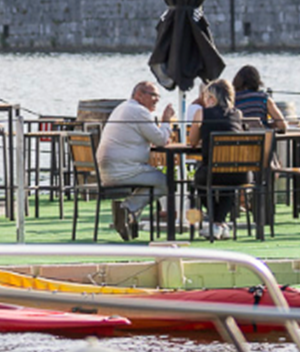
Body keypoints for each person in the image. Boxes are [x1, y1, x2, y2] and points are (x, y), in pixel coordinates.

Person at [96, 81, 177, 239]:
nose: (156, 99)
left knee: (160, 180)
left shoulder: (123, 107)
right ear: (139, 95)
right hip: (124, 171)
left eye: (158, 96)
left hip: (109, 170)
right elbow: (161, 140)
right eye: (152, 95)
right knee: (168, 182)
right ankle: (127, 208)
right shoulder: (139, 111)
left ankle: (128, 215)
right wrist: (166, 120)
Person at [187, 78, 244, 241]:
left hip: (212, 172)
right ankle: (219, 223)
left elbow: (192, 142)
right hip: (240, 173)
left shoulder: (202, 113)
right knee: (229, 183)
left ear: (211, 98)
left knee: (200, 180)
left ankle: (216, 223)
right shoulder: (237, 114)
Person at [230, 65, 288, 131]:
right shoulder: (264, 99)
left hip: (239, 139)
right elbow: (282, 125)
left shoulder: (232, 99)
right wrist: (266, 125)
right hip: (262, 138)